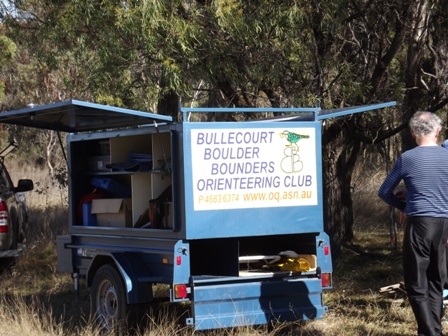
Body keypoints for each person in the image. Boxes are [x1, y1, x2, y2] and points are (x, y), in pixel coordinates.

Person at [378, 111, 448, 336]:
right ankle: (433, 329)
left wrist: (405, 208)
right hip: (444, 226)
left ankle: (430, 333)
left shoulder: (407, 158)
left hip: (419, 225)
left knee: (417, 284)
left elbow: (385, 191)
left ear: (413, 132)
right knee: (437, 282)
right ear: (437, 132)